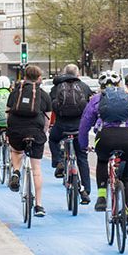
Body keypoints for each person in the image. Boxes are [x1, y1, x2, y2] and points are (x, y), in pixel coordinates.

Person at [79, 71, 128, 234]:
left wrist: (83, 145)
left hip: (105, 138)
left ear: (101, 86)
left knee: (103, 160)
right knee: (126, 179)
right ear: (119, 85)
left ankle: (102, 196)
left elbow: (84, 125)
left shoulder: (96, 100)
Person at [6, 65, 52, 217]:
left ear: (24, 77)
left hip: (16, 129)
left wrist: (10, 129)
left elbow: (8, 114)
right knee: (36, 169)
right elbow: (48, 119)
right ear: (39, 78)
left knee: (16, 150)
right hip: (35, 131)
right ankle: (39, 205)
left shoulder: (15, 93)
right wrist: (42, 133)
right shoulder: (43, 95)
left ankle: (17, 172)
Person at [49, 64, 93, 205]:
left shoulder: (56, 87)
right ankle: (86, 190)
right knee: (82, 157)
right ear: (77, 74)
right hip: (79, 128)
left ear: (64, 73)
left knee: (53, 139)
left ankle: (59, 162)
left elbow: (51, 106)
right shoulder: (84, 87)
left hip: (61, 126)